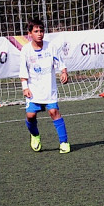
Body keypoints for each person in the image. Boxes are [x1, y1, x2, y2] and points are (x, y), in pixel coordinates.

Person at [19, 18, 70, 153]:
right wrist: (25, 87)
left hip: (49, 89)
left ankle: (64, 143)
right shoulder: (25, 50)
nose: (39, 33)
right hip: (33, 90)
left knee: (54, 112)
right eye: (36, 31)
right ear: (30, 33)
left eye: (41, 31)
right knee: (30, 116)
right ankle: (35, 135)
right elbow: (23, 71)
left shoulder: (51, 47)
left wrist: (63, 72)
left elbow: (61, 63)